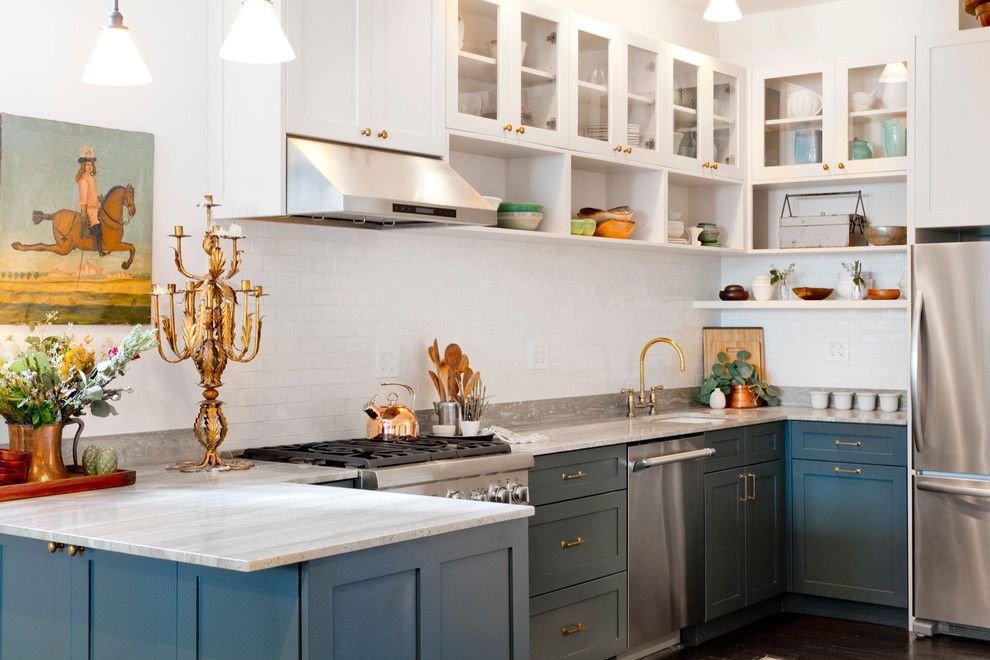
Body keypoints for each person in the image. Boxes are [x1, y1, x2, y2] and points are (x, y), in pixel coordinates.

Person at [75, 145, 106, 256]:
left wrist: (98, 198)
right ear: (83, 165)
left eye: (91, 164)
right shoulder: (83, 179)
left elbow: (91, 195)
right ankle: (100, 251)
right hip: (90, 209)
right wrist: (83, 211)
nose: (89, 166)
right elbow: (83, 197)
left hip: (96, 206)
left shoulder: (91, 177)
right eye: (87, 164)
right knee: (98, 227)